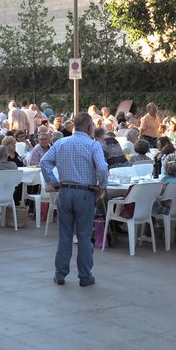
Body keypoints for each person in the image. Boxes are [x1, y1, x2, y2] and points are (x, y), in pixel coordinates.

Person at [40, 111, 108, 286]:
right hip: (85, 193)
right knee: (84, 236)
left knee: (65, 236)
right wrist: (101, 186)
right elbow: (102, 168)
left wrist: (53, 182)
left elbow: (44, 162)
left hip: (65, 191)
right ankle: (85, 276)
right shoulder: (93, 145)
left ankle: (60, 273)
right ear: (89, 126)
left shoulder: (61, 143)